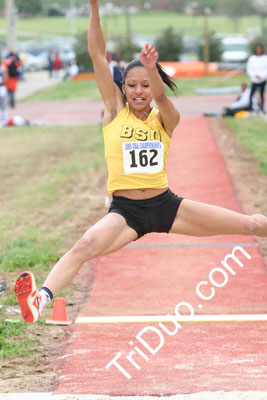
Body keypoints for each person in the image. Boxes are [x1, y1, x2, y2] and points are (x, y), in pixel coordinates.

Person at [14, 0, 267, 324]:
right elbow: (96, 54)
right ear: (122, 88)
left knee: (249, 225)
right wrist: (94, 7)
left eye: (145, 85)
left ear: (153, 86)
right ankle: (39, 299)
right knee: (85, 244)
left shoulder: (165, 119)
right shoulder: (113, 112)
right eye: (131, 85)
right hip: (126, 212)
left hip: (166, 205)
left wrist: (151, 68)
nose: (138, 91)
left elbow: (162, 97)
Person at [246, 44, 267, 113]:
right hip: (254, 79)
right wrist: (254, 75)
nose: (258, 50)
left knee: (261, 94)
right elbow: (249, 68)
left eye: (259, 49)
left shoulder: (265, 58)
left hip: (262, 79)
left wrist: (262, 76)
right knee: (251, 94)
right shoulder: (252, 58)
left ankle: (262, 108)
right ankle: (251, 107)